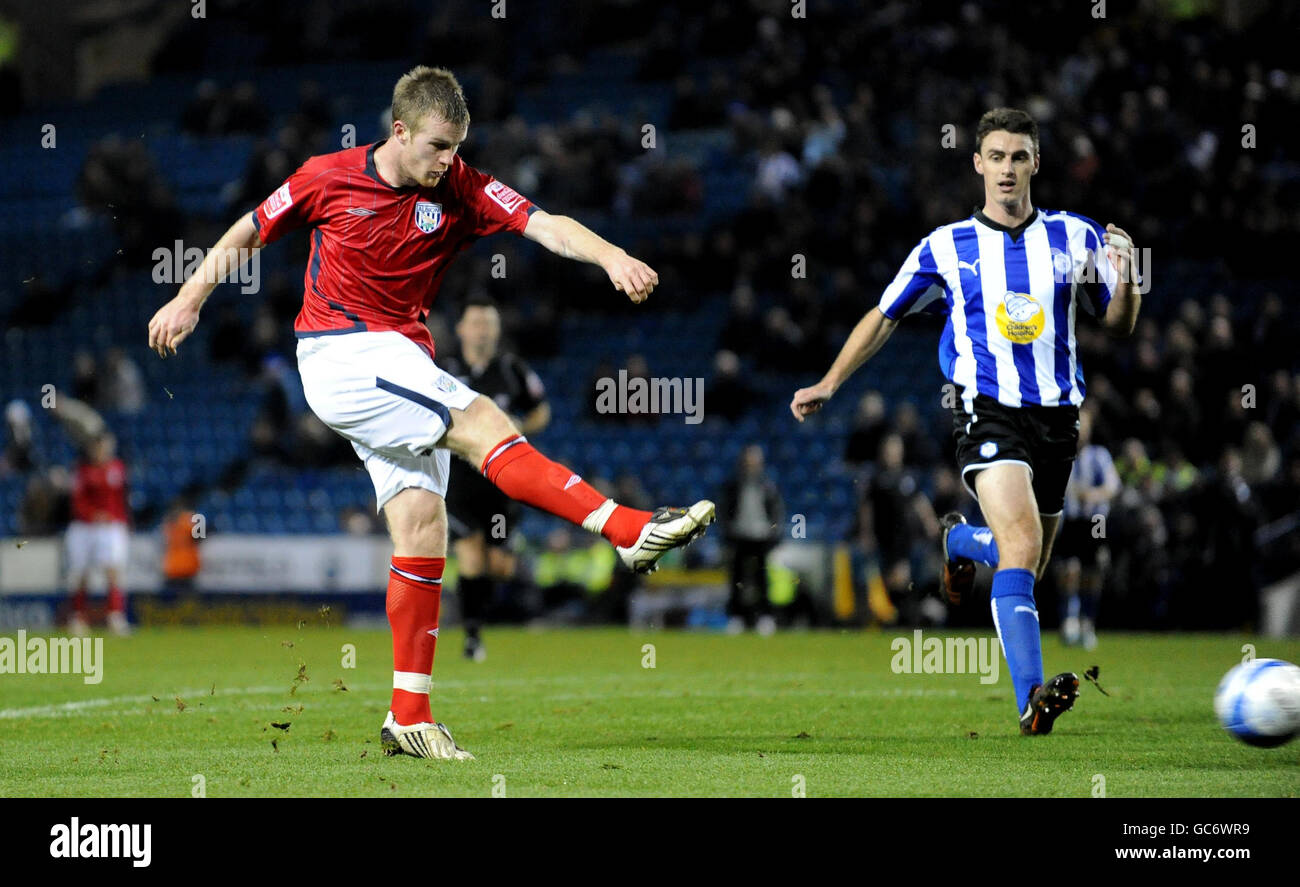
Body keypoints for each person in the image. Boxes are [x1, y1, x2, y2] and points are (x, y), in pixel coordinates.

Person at [147, 66, 714, 760]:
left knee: (421, 525)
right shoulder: (328, 177)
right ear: (399, 131)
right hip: (341, 352)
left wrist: (610, 255)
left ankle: (408, 716)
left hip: (400, 360)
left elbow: (547, 225)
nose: (449, 161)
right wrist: (190, 297)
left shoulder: (463, 187)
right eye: (438, 146)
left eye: (456, 147)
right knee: (482, 422)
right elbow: (249, 230)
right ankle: (624, 527)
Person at [791, 108, 1142, 735]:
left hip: (1060, 419)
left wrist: (1129, 281)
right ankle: (1031, 701)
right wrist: (830, 381)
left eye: (1020, 157)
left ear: (1037, 163)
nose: (1008, 169)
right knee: (1024, 546)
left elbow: (1116, 322)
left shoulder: (1075, 238)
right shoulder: (946, 246)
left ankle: (959, 541)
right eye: (997, 157)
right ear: (977, 163)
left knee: (1024, 565)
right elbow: (884, 315)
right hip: (986, 410)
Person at [438, 296, 551, 662]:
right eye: (476, 323)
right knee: (470, 552)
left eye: (488, 323)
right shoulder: (443, 369)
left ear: (497, 330)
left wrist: (519, 426)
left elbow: (540, 411)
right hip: (459, 479)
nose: (482, 330)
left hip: (502, 483)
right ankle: (472, 636)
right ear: (461, 329)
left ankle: (482, 615)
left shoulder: (511, 368)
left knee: (499, 564)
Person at [1054, 407, 1119, 649]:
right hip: (1070, 521)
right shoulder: (1061, 454)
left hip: (1095, 522)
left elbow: (1112, 488)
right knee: (1069, 570)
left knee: (1093, 572)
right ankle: (1070, 619)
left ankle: (1087, 623)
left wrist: (1089, 495)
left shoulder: (1099, 456)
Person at [65, 432, 131, 636]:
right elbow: (77, 501)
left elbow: (121, 499)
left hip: (111, 526)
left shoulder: (117, 468)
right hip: (84, 526)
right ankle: (77, 617)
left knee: (113, 570)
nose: (103, 452)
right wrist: (93, 515)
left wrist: (115, 518)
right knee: (80, 573)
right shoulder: (82, 471)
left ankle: (115, 616)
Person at [718, 444, 784, 635]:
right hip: (739, 535)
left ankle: (765, 617)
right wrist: (727, 530)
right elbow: (724, 509)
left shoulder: (767, 485)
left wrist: (774, 533)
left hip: (762, 536)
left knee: (762, 579)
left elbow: (776, 510)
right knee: (737, 579)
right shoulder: (734, 484)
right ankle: (736, 617)